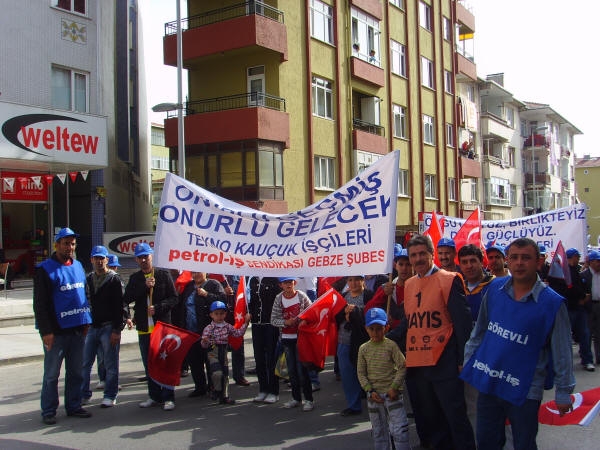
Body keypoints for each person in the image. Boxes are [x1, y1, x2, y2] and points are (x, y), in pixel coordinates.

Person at [461, 238, 575, 450]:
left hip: (525, 389)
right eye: (514, 257)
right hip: (489, 382)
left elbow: (562, 351)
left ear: (538, 262)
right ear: (508, 261)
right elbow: (479, 332)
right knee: (486, 442)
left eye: (526, 258)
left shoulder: (552, 303)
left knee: (523, 444)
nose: (519, 263)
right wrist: (470, 364)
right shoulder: (494, 289)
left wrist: (563, 392)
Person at [404, 234, 475, 449]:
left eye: (422, 254)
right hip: (418, 362)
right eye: (413, 255)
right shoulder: (409, 284)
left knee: (454, 416)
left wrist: (463, 359)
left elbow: (463, 324)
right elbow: (410, 321)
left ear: (431, 253)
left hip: (444, 361)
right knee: (430, 417)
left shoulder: (449, 279)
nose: (417, 259)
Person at [33, 227, 92, 425]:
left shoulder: (79, 266)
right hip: (56, 333)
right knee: (51, 375)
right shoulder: (44, 269)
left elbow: (85, 295)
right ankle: (49, 410)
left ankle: (73, 405)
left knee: (76, 372)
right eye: (66, 243)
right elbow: (40, 304)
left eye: (72, 244)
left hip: (77, 330)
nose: (70, 247)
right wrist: (46, 331)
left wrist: (87, 320)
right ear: (56, 245)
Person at [124, 242, 179, 411]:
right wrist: (144, 286)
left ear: (151, 256)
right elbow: (127, 298)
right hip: (144, 328)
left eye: (146, 257)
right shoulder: (135, 278)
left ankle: (168, 397)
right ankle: (154, 396)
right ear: (136, 260)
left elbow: (174, 298)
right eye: (140, 258)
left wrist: (159, 307)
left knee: (165, 363)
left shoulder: (163, 274)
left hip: (162, 328)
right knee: (149, 365)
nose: (143, 260)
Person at [357, 308, 410, 450]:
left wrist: (395, 387)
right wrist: (369, 390)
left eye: (379, 328)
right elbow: (361, 373)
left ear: (386, 328)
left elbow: (402, 366)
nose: (375, 332)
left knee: (399, 430)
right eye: (372, 329)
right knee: (379, 431)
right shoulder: (363, 349)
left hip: (392, 394)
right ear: (366, 329)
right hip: (374, 396)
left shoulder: (391, 346)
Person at [81, 246, 126, 408]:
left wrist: (117, 329)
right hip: (92, 327)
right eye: (96, 258)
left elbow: (121, 306)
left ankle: (110, 395)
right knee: (85, 363)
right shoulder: (88, 279)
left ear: (107, 259)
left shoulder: (114, 279)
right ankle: (83, 394)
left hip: (109, 327)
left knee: (110, 363)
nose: (99, 261)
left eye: (102, 258)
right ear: (91, 260)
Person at [270, 277, 314, 411]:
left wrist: (304, 321)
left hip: (301, 339)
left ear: (295, 283)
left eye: (290, 282)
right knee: (292, 371)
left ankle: (309, 399)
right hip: (286, 339)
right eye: (285, 283)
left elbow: (312, 312)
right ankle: (296, 398)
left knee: (302, 371)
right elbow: (273, 320)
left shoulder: (302, 296)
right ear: (281, 285)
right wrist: (285, 323)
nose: (288, 285)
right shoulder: (278, 298)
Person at [548, 247, 595, 371]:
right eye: (577, 256)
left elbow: (581, 285)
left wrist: (584, 296)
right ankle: (565, 363)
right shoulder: (562, 272)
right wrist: (582, 296)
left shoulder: (575, 270)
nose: (578, 259)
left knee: (585, 334)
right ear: (572, 257)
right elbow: (567, 288)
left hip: (580, 308)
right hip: (568, 308)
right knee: (565, 337)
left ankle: (587, 360)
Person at [180, 272, 226, 397]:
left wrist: (207, 295)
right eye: (193, 273)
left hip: (208, 331)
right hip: (190, 331)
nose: (196, 275)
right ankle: (200, 387)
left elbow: (223, 300)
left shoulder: (213, 284)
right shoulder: (189, 286)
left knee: (210, 361)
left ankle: (214, 387)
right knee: (194, 361)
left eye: (198, 272)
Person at [201, 300, 251, 404]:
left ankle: (224, 396)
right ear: (211, 315)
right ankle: (216, 390)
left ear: (225, 314)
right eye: (216, 314)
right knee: (217, 373)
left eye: (222, 313)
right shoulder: (209, 328)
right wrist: (205, 341)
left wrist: (246, 323)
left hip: (223, 351)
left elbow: (237, 333)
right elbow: (204, 345)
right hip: (213, 352)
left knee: (225, 374)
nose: (219, 316)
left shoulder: (227, 326)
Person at [335, 275, 372, 416]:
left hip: (363, 342)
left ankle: (375, 401)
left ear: (363, 281)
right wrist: (344, 313)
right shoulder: (343, 296)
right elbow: (335, 317)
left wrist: (356, 312)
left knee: (368, 372)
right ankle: (354, 405)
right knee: (348, 374)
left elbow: (372, 315)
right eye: (350, 280)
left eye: (357, 279)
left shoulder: (369, 295)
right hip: (344, 341)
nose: (353, 283)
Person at [248, 276, 282, 404]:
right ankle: (263, 389)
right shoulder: (252, 280)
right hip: (256, 324)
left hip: (270, 324)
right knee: (259, 358)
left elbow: (279, 301)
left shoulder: (273, 279)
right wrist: (249, 312)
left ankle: (273, 391)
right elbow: (250, 301)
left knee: (271, 358)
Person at [458, 244, 495, 322]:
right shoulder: (458, 288)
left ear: (481, 262)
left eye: (473, 261)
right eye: (464, 262)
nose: (469, 266)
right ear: (460, 266)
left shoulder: (495, 286)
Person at [582, 250, 600, 364]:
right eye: (597, 261)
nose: (599, 263)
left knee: (599, 332)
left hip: (599, 304)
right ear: (591, 262)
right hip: (588, 306)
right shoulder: (584, 275)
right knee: (587, 333)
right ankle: (587, 358)